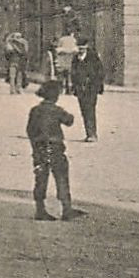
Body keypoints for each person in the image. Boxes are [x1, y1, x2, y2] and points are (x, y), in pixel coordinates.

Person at [28, 80, 84, 221]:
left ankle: (40, 209)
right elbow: (69, 121)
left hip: (39, 148)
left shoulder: (35, 110)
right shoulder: (57, 110)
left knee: (41, 178)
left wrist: (35, 146)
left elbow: (29, 130)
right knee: (61, 178)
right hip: (55, 148)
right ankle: (66, 208)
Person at [71, 37, 106, 141]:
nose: (81, 51)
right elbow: (73, 73)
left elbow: (100, 71)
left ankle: (92, 134)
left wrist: (97, 84)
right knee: (84, 110)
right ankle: (89, 133)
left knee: (90, 109)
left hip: (91, 88)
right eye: (79, 48)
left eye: (83, 49)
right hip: (80, 88)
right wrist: (74, 86)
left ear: (86, 47)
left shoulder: (93, 57)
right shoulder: (75, 58)